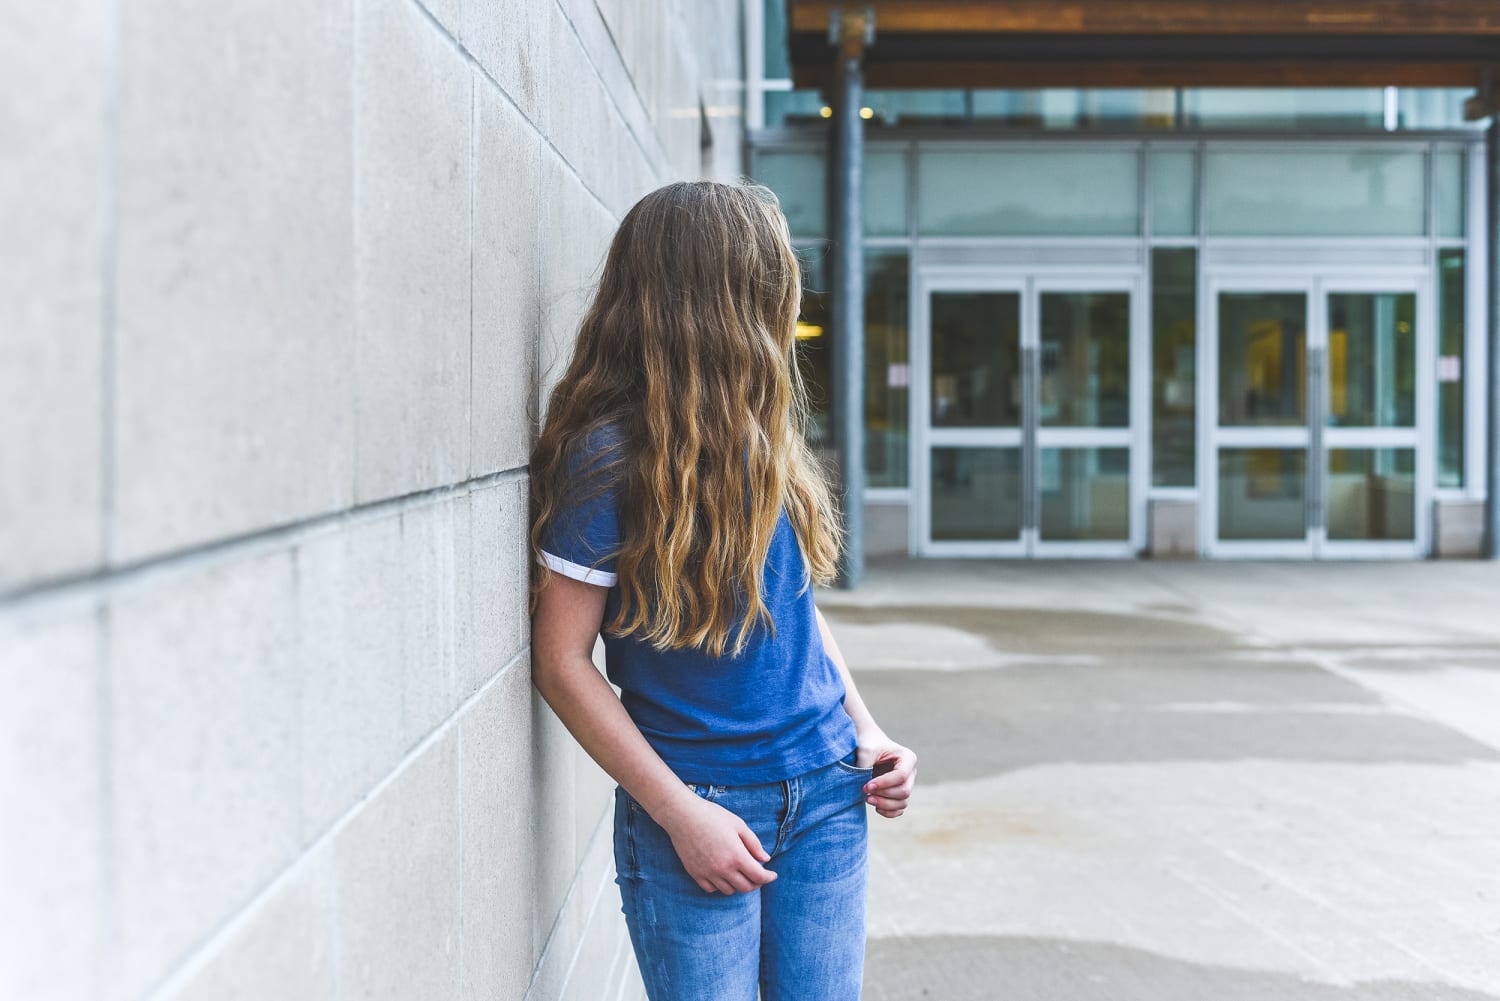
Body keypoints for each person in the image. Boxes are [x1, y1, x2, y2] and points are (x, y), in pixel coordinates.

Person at [527, 179, 917, 1001]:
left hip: (827, 797)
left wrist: (869, 731)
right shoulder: (609, 459)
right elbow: (561, 661)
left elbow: (795, 615)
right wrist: (677, 813)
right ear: (729, 298)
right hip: (697, 809)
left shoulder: (765, 434)